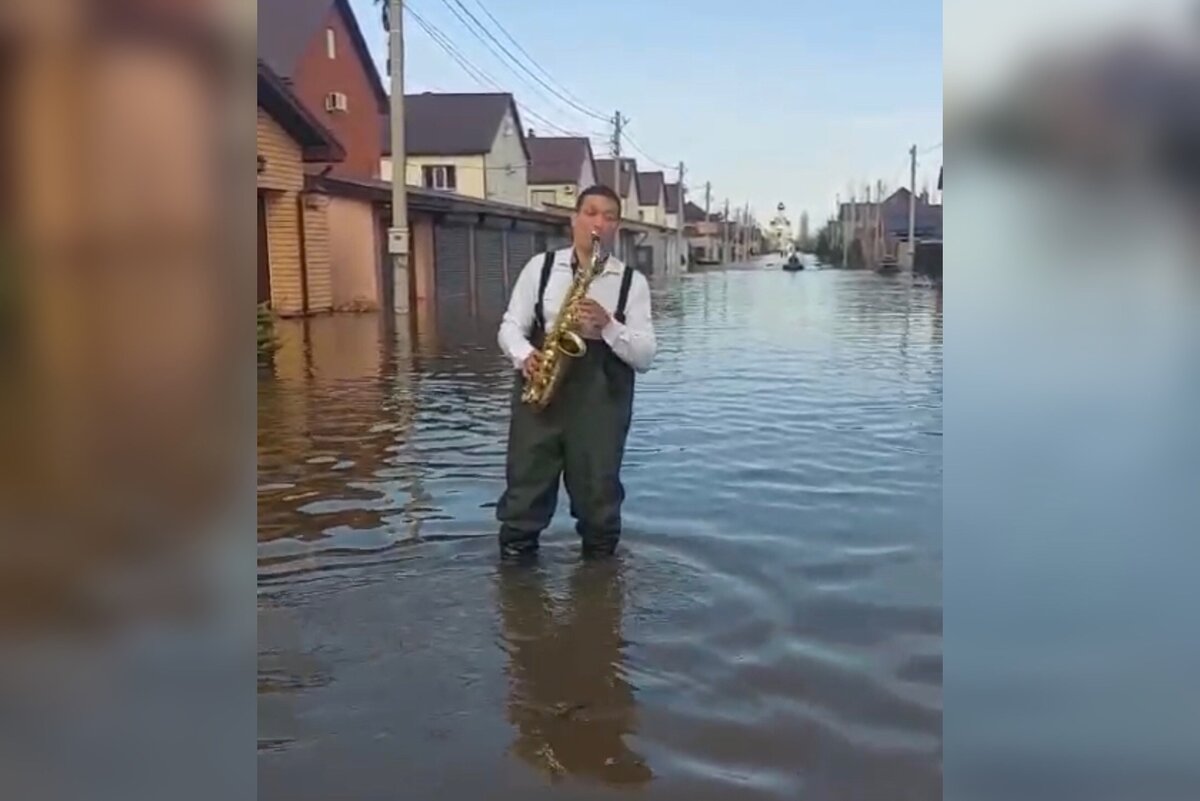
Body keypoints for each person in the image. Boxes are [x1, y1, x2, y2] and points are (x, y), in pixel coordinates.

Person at [496, 185, 656, 560]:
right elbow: (509, 327)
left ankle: (598, 594)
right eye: (591, 212)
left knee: (598, 500)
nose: (599, 222)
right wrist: (524, 356)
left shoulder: (632, 283)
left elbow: (646, 355)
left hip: (600, 403)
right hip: (541, 393)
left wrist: (609, 326)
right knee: (524, 497)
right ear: (574, 220)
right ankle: (518, 596)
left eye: (609, 216)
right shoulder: (541, 268)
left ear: (617, 227)